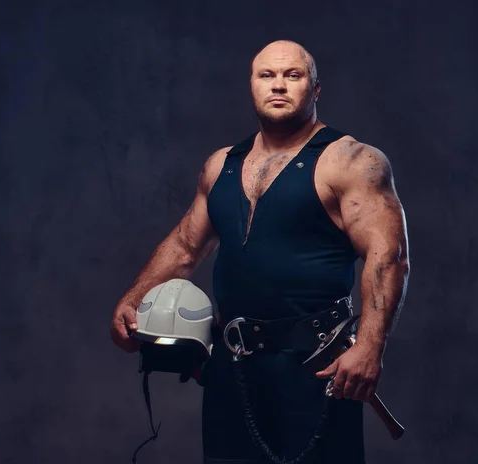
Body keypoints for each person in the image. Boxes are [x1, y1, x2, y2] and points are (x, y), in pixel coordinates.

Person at [111, 40, 410, 464]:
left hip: (316, 366)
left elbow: (389, 256)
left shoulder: (350, 161)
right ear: (252, 86)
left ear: (316, 89)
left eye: (293, 76)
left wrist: (371, 347)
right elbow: (184, 246)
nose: (279, 86)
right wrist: (133, 297)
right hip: (232, 368)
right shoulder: (222, 165)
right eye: (267, 75)